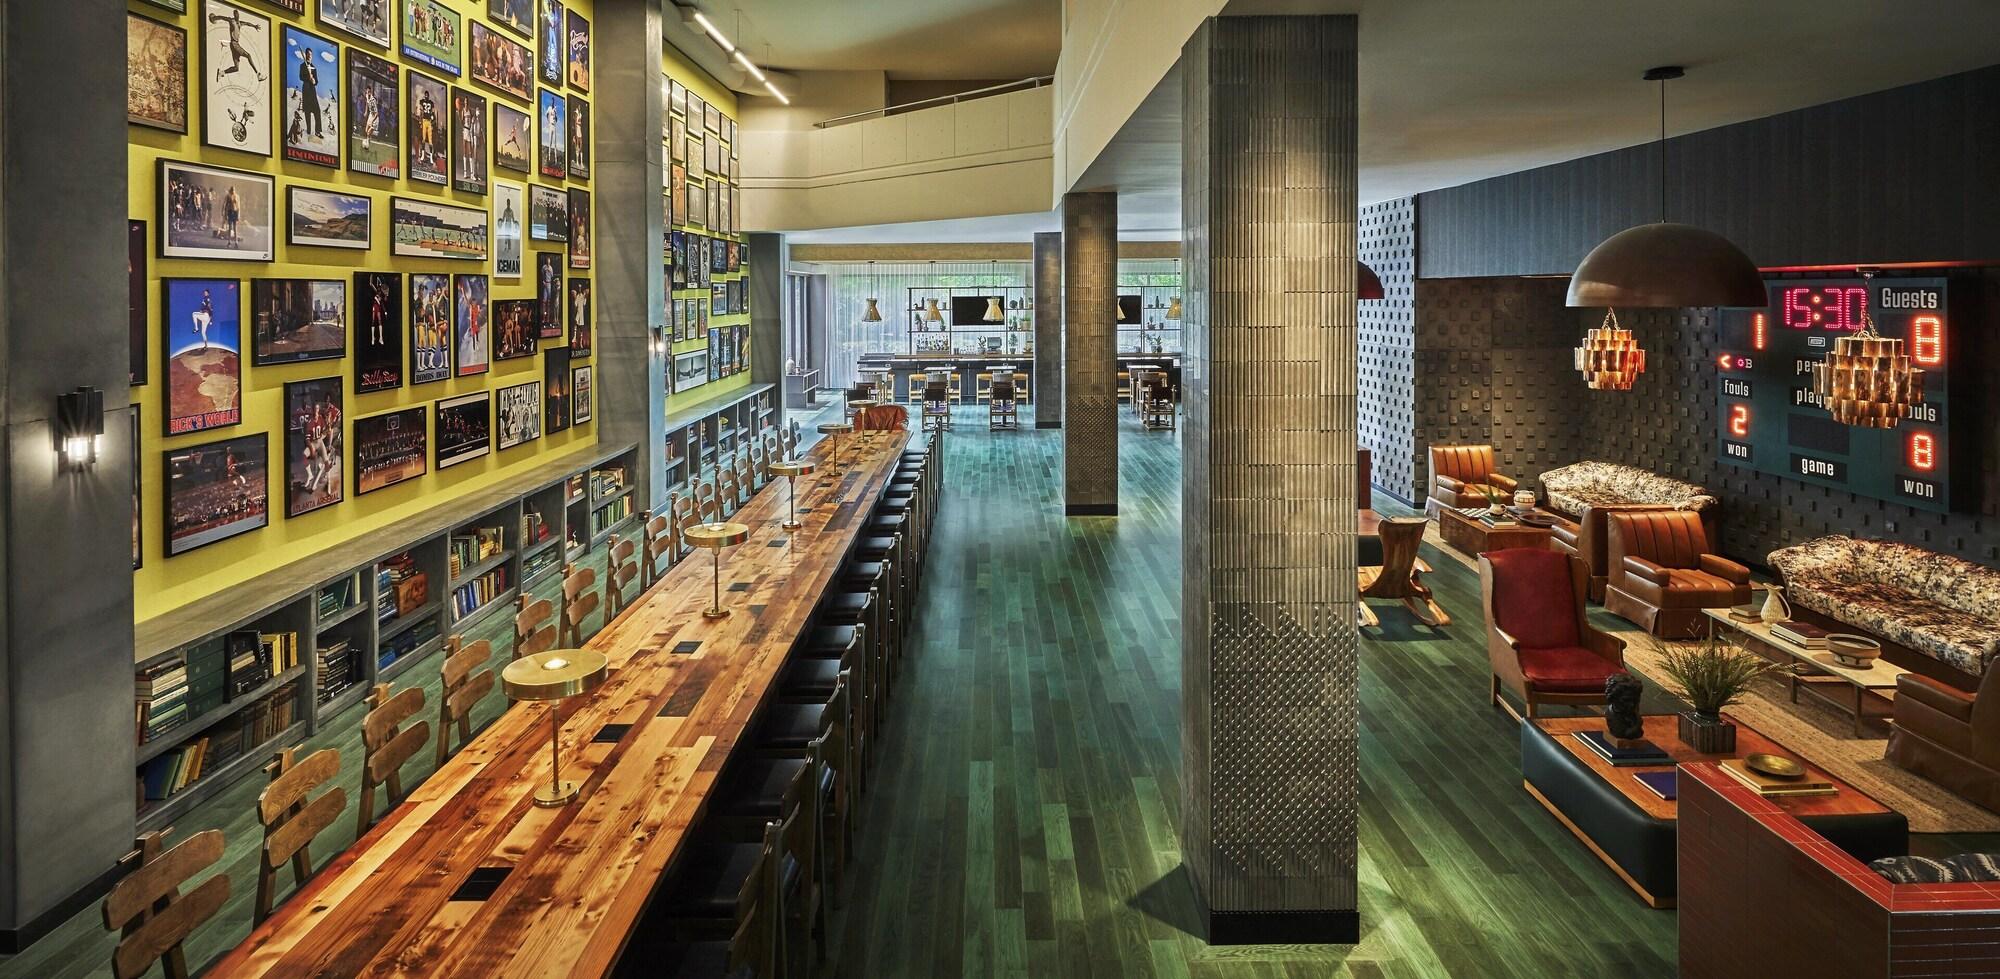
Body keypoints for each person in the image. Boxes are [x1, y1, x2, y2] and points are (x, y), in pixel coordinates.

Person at [208, 6, 266, 84]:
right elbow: (222, 17)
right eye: (235, 14)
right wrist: (214, 18)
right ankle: (258, 74)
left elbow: (247, 23)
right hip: (234, 44)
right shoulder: (231, 21)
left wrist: (254, 26)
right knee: (248, 55)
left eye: (237, 14)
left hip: (235, 45)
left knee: (236, 68)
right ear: (234, 15)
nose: (237, 15)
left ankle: (221, 72)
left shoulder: (240, 23)